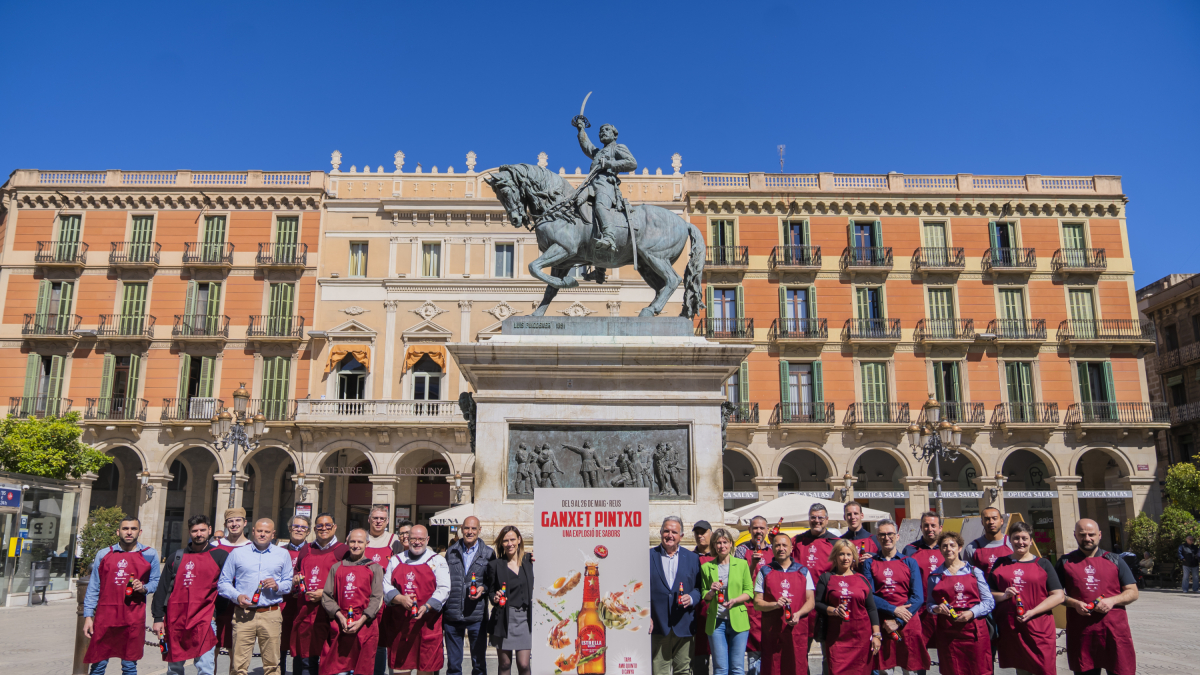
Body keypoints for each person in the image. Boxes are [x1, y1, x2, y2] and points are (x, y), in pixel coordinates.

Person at [1055, 518, 1139, 675]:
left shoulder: (1115, 560)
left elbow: (1133, 592)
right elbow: (1055, 594)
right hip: (1082, 633)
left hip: (1114, 632)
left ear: (1099, 535)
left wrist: (1113, 600)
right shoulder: (1065, 562)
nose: (1087, 538)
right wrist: (1074, 603)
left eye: (1091, 534)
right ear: (1075, 535)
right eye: (1082, 534)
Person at [152, 515, 230, 675]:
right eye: (195, 531)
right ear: (189, 532)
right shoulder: (176, 557)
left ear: (209, 530)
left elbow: (226, 589)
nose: (199, 534)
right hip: (175, 622)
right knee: (174, 669)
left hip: (204, 622)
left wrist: (215, 613)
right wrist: (158, 618)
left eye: (202, 530)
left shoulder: (220, 556)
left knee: (205, 668)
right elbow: (162, 589)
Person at [82, 517, 162, 675]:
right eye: (125, 529)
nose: (129, 532)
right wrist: (88, 616)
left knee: (129, 665)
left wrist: (144, 588)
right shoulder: (104, 554)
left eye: (133, 529)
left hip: (133, 617)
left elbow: (156, 582)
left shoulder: (149, 554)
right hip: (105, 617)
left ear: (140, 532)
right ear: (118, 532)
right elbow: (94, 587)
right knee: (98, 664)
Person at [218, 518, 293, 675]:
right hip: (243, 614)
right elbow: (223, 583)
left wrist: (277, 585)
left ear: (273, 534)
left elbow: (288, 584)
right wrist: (236, 596)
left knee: (272, 665)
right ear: (253, 531)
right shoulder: (238, 554)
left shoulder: (283, 554)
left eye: (267, 532)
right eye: (259, 531)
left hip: (270, 613)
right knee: (238, 666)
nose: (262, 534)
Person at [986, 522, 1063, 675]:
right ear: (1010, 540)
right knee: (1022, 669)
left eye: (1024, 538)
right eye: (1016, 538)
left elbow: (1058, 595)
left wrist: (1033, 612)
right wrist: (1004, 595)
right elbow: (988, 593)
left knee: (1045, 669)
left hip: (1040, 628)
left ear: (1031, 541)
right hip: (1013, 628)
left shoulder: (1043, 563)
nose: (1020, 542)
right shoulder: (1001, 563)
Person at [862, 518, 928, 674]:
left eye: (890, 534)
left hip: (908, 620)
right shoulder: (869, 563)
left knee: (910, 668)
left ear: (897, 536)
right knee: (884, 669)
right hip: (882, 621)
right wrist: (893, 610)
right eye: (882, 535)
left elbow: (918, 597)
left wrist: (898, 620)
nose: (887, 538)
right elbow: (869, 595)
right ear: (877, 538)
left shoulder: (909, 562)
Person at [383, 524, 450, 675]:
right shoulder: (396, 560)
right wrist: (399, 598)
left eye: (421, 539)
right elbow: (386, 585)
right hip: (401, 626)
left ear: (428, 539)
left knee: (425, 669)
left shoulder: (437, 560)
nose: (417, 542)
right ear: (408, 539)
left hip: (427, 625)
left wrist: (427, 606)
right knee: (400, 670)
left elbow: (444, 588)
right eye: (413, 538)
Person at [926, 531, 994, 675]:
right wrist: (936, 609)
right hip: (948, 633)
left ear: (960, 548)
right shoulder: (935, 576)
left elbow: (989, 602)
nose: (948, 549)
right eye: (944, 546)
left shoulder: (975, 572)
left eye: (952, 545)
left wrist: (972, 612)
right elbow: (929, 604)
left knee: (979, 670)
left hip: (975, 631)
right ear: (940, 549)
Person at [321, 529, 385, 675]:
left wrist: (362, 620)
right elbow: (327, 596)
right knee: (338, 670)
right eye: (353, 541)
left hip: (365, 625)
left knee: (363, 668)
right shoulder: (336, 567)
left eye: (360, 542)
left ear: (367, 544)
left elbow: (376, 598)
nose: (356, 545)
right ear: (347, 542)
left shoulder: (374, 568)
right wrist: (340, 616)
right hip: (340, 624)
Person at [293, 513, 350, 675]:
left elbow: (349, 581)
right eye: (320, 526)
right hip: (306, 613)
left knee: (331, 660)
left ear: (335, 527)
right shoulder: (307, 549)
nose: (324, 528)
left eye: (328, 525)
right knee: (306, 660)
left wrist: (325, 593)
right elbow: (297, 570)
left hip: (331, 614)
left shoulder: (343, 551)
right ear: (314, 529)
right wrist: (296, 579)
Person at [752, 532, 814, 675]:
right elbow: (757, 603)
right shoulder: (765, 571)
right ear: (772, 548)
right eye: (777, 545)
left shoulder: (803, 571)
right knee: (773, 668)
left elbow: (810, 601)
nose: (781, 548)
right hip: (772, 632)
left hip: (797, 631)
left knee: (796, 667)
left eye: (784, 545)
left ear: (791, 548)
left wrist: (798, 614)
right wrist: (775, 605)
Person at [814, 540, 880, 675]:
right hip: (836, 638)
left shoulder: (862, 579)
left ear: (854, 557)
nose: (845, 558)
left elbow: (871, 609)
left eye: (849, 554)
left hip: (861, 637)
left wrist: (877, 635)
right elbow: (818, 604)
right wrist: (833, 610)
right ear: (835, 557)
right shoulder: (826, 578)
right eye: (841, 554)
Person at [572, 117, 638, 251]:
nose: (603, 132)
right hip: (591, 185)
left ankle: (609, 237)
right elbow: (587, 146)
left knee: (600, 207)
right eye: (601, 131)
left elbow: (632, 163)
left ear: (615, 134)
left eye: (607, 130)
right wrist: (581, 129)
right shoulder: (599, 153)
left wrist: (610, 164)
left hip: (606, 184)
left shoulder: (618, 148)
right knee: (574, 203)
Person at [650, 516, 702, 675]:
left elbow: (699, 588)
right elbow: (639, 589)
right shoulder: (648, 556)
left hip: (684, 624)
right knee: (660, 672)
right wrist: (646, 615)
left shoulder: (693, 558)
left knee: (684, 671)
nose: (670, 535)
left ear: (681, 536)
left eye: (674, 532)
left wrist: (692, 598)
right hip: (658, 625)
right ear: (660, 533)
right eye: (666, 531)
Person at [445, 515, 495, 675]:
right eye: (467, 528)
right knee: (453, 667)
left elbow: (492, 583)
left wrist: (484, 589)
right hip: (452, 616)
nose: (470, 531)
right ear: (461, 529)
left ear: (479, 530)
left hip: (477, 617)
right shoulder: (451, 552)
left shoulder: (488, 554)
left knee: (479, 666)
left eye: (474, 528)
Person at [700, 528, 754, 675]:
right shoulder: (706, 567)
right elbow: (704, 594)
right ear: (714, 545)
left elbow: (749, 592)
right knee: (720, 668)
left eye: (725, 542)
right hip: (717, 622)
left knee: (737, 668)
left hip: (738, 620)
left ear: (731, 544)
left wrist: (735, 600)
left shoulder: (742, 564)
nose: (721, 546)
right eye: (718, 543)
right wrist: (711, 592)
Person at [792, 503, 839, 662]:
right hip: (802, 604)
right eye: (813, 517)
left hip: (826, 604)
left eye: (820, 518)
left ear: (827, 520)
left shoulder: (835, 542)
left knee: (830, 654)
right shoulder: (798, 541)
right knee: (800, 653)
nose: (816, 521)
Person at [484, 526, 534, 675]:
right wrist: (495, 597)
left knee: (524, 664)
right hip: (504, 619)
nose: (509, 543)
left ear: (519, 540)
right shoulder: (495, 565)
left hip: (524, 618)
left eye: (512, 539)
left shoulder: (529, 561)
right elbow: (491, 591)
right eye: (505, 541)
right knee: (505, 664)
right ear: (501, 544)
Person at [363, 506, 405, 675]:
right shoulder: (360, 538)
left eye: (382, 518)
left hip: (386, 601)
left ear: (387, 521)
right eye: (375, 518)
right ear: (369, 520)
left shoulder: (394, 541)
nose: (378, 521)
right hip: (363, 598)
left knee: (383, 643)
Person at [900, 511, 944, 670]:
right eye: (926, 525)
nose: (929, 528)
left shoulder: (948, 548)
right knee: (918, 652)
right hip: (919, 610)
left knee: (946, 651)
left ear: (940, 527)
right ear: (921, 527)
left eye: (933, 525)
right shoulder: (910, 550)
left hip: (944, 609)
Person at [214, 508, 254, 671]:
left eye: (238, 520)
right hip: (216, 604)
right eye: (230, 521)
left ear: (245, 523)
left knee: (236, 650)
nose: (234, 524)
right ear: (225, 524)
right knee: (212, 648)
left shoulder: (252, 547)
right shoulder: (215, 546)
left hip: (240, 604)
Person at [734, 516, 771, 675]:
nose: (758, 531)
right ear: (749, 530)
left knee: (771, 653)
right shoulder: (742, 550)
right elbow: (737, 580)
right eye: (755, 528)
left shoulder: (773, 549)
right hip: (750, 609)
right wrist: (753, 564)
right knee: (754, 655)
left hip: (770, 608)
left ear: (767, 531)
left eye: (762, 528)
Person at [282, 515, 312, 672]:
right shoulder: (279, 551)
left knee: (301, 650)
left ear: (308, 532)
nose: (299, 530)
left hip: (304, 608)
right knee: (279, 649)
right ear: (289, 529)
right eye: (296, 526)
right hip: (282, 606)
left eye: (303, 528)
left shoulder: (312, 552)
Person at [691, 520, 715, 675]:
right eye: (697, 533)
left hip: (718, 615)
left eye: (703, 532)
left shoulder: (722, 557)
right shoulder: (689, 558)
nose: (700, 536)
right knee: (699, 662)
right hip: (697, 616)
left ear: (711, 533)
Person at [963, 507, 1012, 575]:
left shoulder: (1013, 544)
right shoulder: (972, 548)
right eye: (987, 519)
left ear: (1001, 521)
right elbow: (968, 577)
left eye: (995, 518)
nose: (991, 522)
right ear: (982, 522)